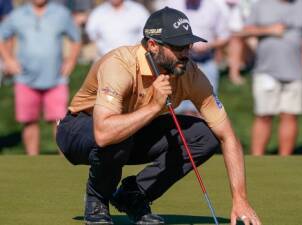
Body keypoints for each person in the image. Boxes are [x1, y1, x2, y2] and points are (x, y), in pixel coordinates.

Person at [56, 7, 261, 225]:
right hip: (79, 130)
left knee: (205, 135)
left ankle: (133, 194)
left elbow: (228, 136)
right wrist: (154, 106)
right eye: (178, 46)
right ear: (153, 45)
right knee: (118, 136)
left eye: (188, 45)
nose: (186, 52)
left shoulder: (189, 73)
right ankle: (96, 202)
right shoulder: (120, 64)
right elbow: (104, 134)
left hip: (131, 132)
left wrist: (240, 200)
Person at [0, 0, 81, 156]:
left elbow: (76, 38)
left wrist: (71, 61)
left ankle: (63, 161)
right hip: (25, 80)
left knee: (60, 123)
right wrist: (8, 60)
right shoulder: (17, 15)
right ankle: (33, 161)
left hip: (56, 79)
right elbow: (2, 36)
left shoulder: (61, 13)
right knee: (29, 122)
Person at [242, 0, 302, 156]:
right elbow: (244, 31)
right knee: (264, 115)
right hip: (266, 71)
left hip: (295, 71)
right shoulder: (261, 5)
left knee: (290, 115)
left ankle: (284, 160)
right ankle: (257, 158)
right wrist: (268, 30)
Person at [158, 0, 231, 116]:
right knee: (178, 108)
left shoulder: (213, 7)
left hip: (206, 62)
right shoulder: (172, 5)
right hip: (178, 64)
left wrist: (209, 45)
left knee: (207, 107)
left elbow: (225, 36)